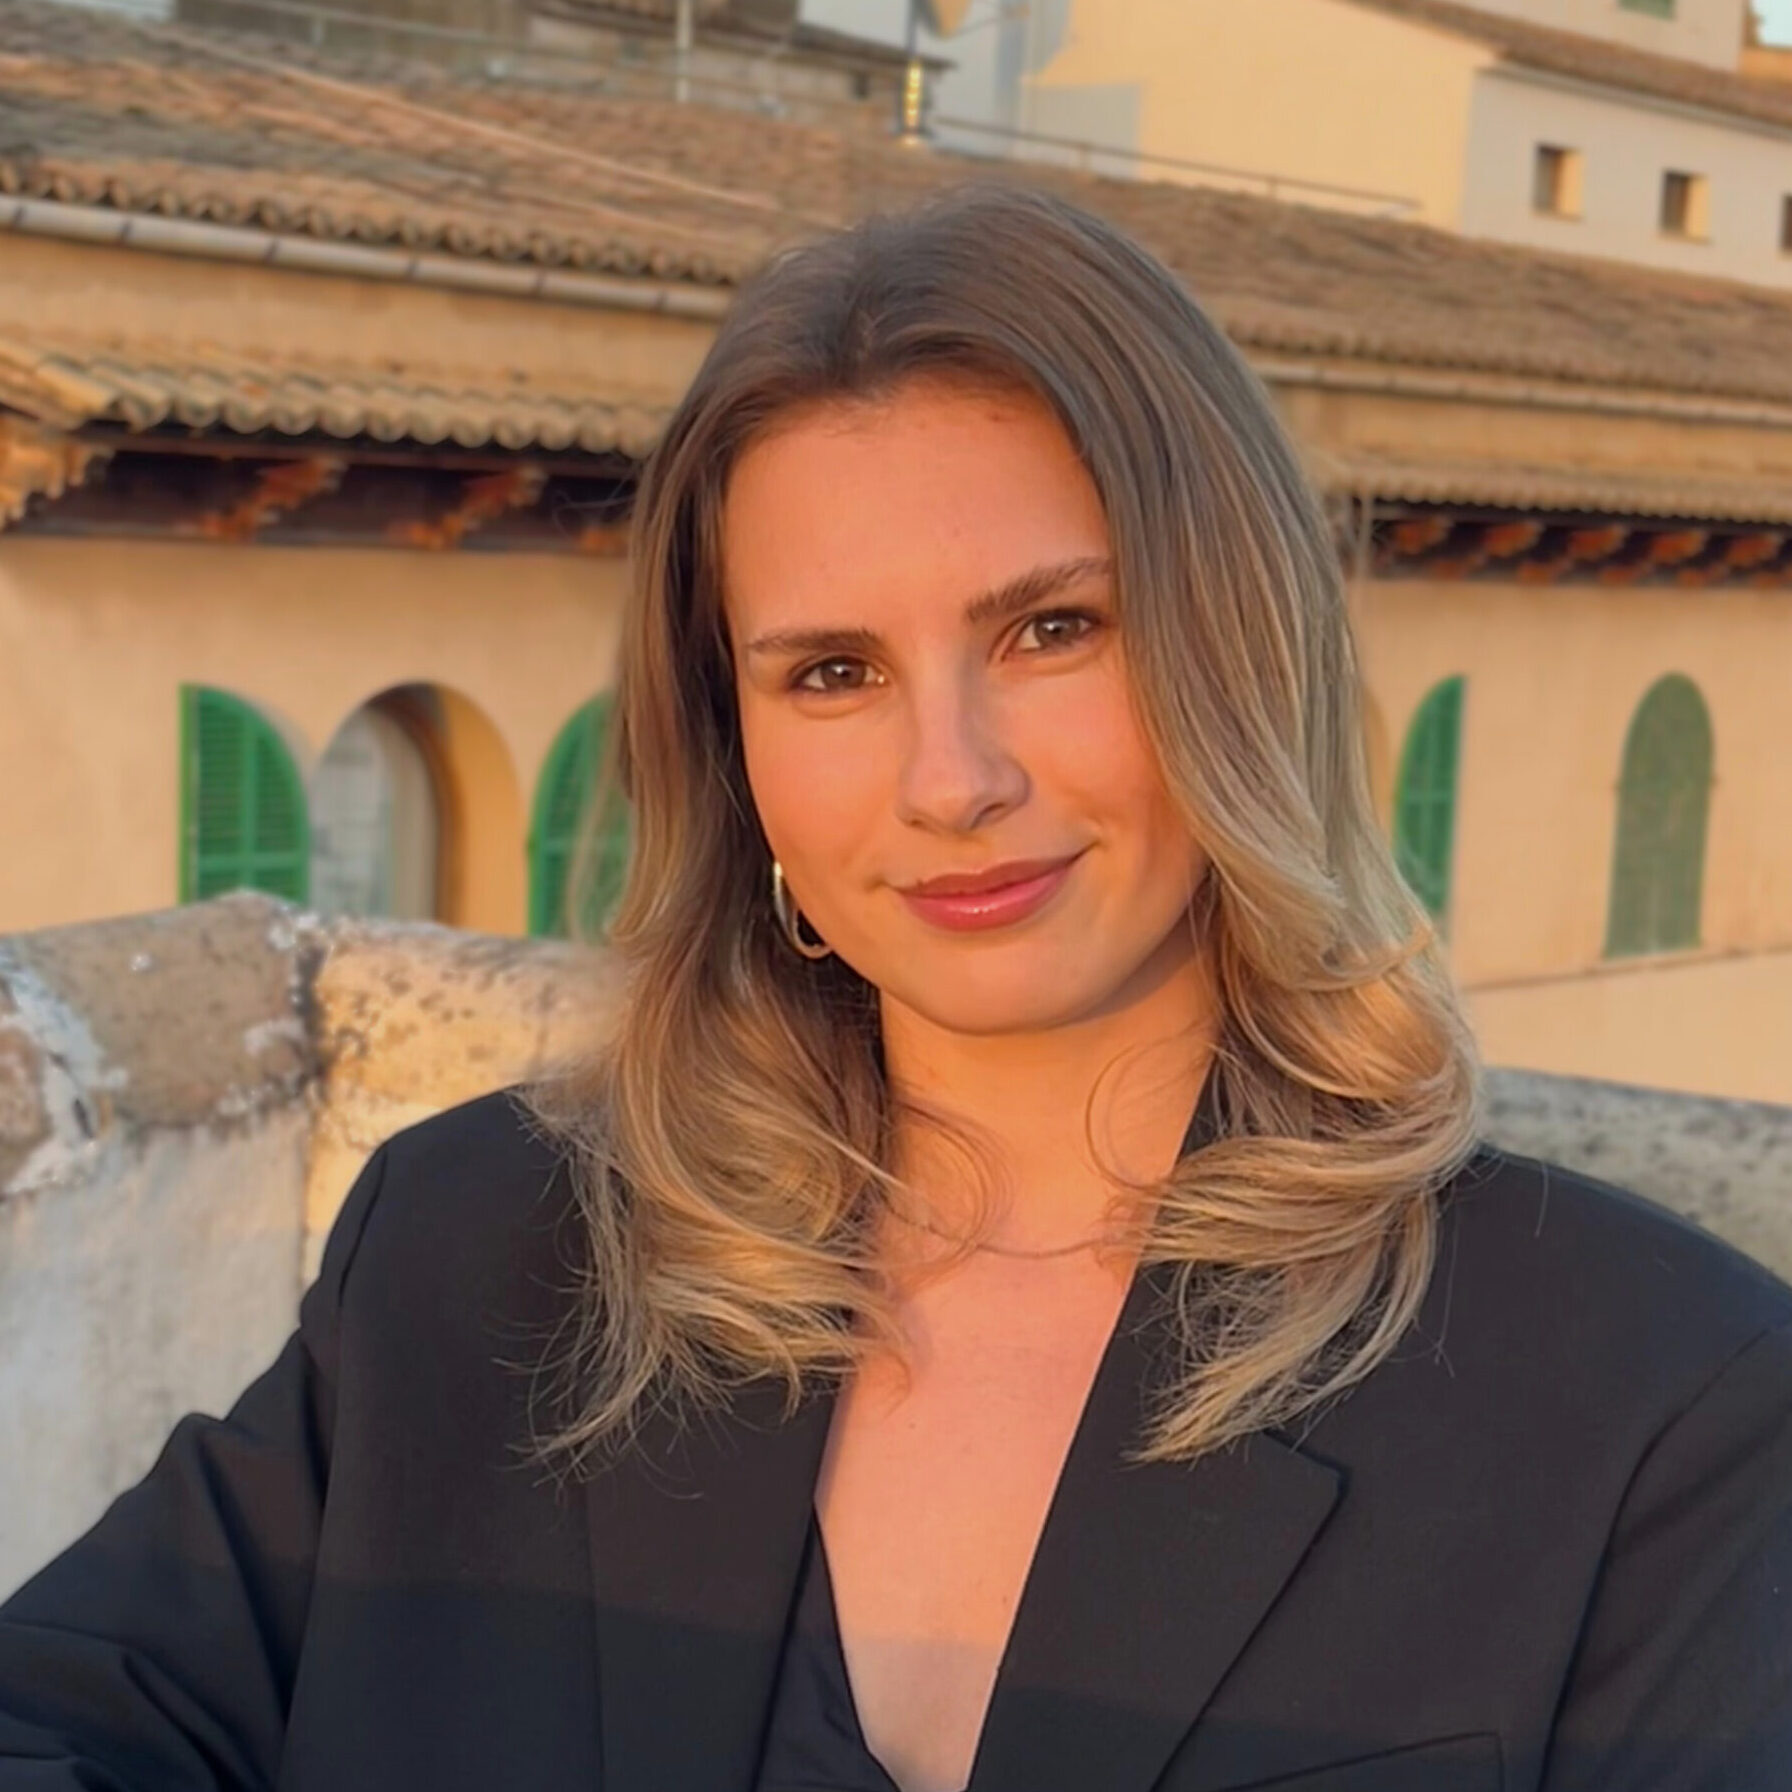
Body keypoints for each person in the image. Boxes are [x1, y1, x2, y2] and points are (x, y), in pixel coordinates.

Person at [2, 182, 1790, 1792]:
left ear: (1240, 653)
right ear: (737, 752)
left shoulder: (1660, 1404)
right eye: (833, 673)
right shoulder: (476, 1253)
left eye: (1052, 629)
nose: (953, 780)